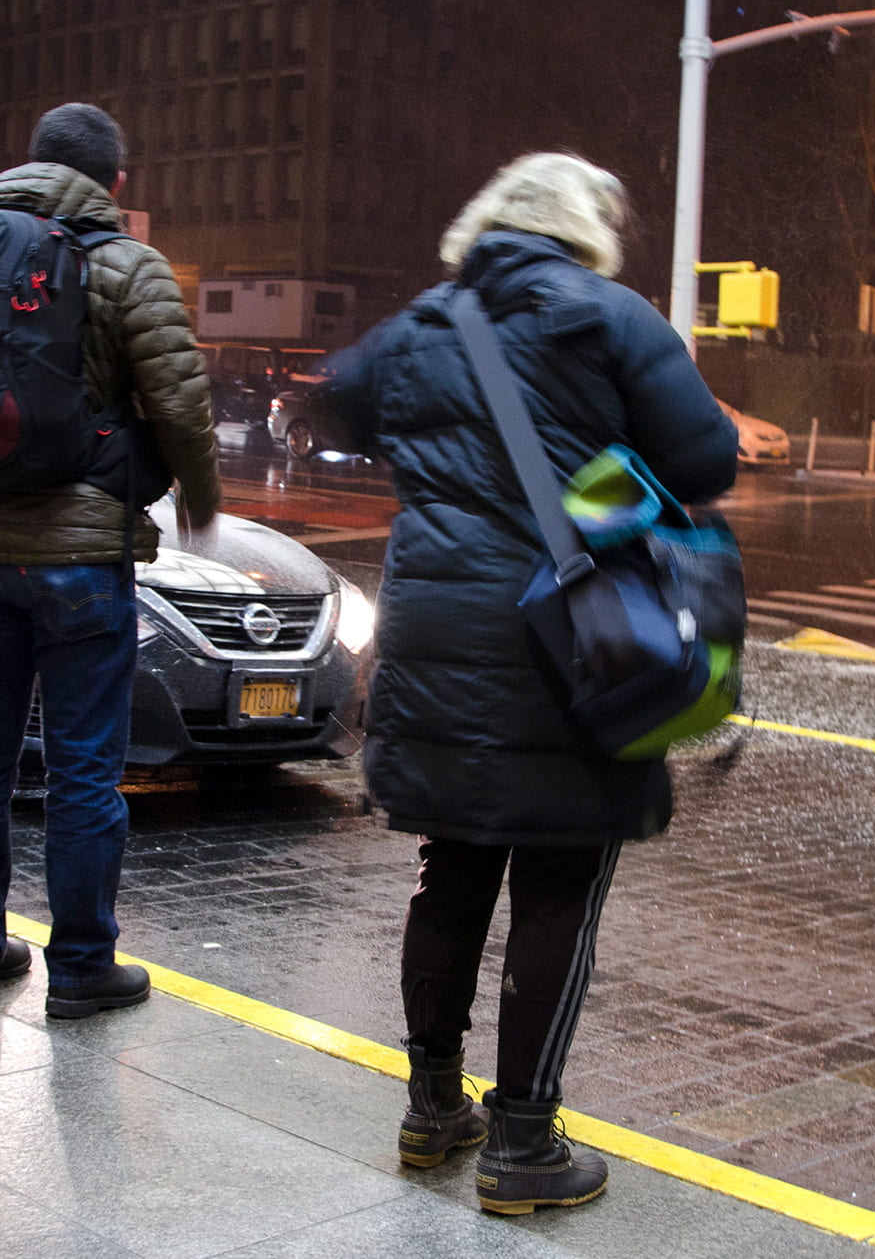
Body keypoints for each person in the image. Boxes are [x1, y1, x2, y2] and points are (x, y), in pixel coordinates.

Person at [316, 153, 737, 1215]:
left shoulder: (421, 324)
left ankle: (428, 1109)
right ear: (584, 228)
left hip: (433, 636)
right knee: (556, 885)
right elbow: (704, 461)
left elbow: (335, 406)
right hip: (570, 645)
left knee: (446, 872)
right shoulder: (611, 318)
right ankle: (521, 1140)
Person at [0, 102, 220, 1019]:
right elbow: (179, 403)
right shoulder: (127, 265)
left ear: (30, 163)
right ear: (117, 184)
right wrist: (201, 502)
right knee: (84, 767)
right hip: (83, 556)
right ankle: (83, 966)